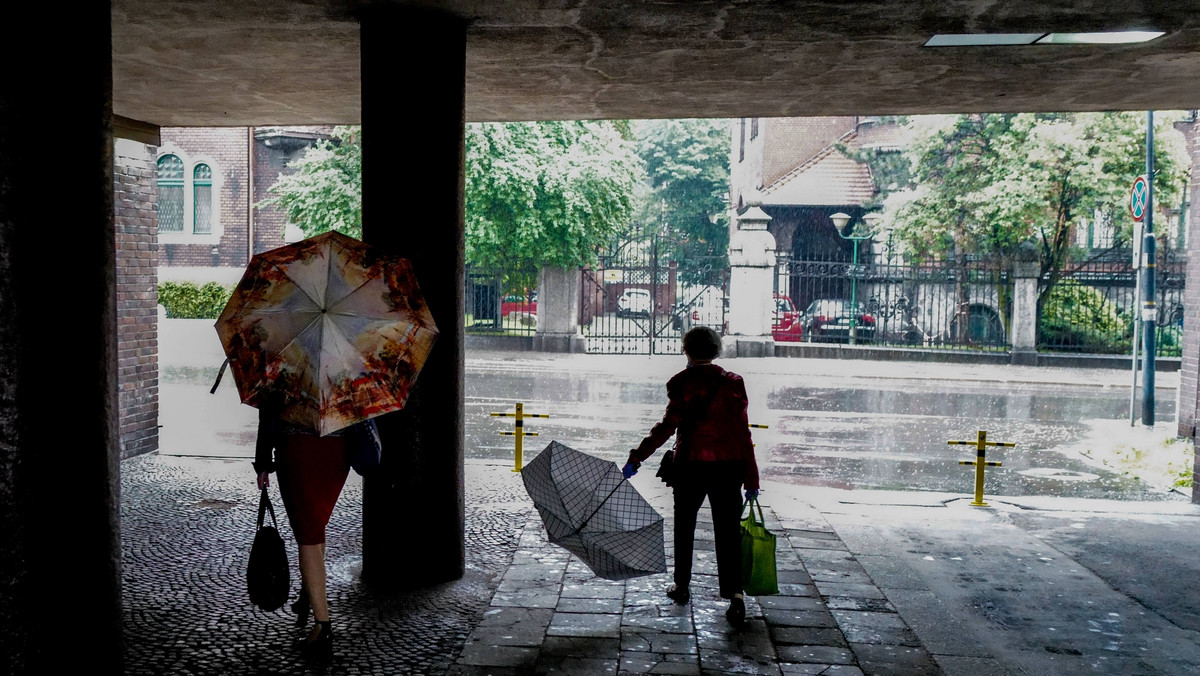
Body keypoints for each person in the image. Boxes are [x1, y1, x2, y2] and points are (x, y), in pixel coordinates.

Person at [623, 326, 760, 628]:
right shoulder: (733, 384)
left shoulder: (681, 383)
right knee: (728, 532)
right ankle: (736, 595)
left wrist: (638, 456)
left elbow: (666, 427)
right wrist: (752, 479)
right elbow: (742, 433)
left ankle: (681, 585)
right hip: (728, 468)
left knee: (684, 526)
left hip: (690, 466)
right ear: (716, 350)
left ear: (686, 350)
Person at [254, 396, 355, 658]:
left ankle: (323, 625)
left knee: (308, 533)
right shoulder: (346, 357)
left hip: (297, 449)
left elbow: (269, 408)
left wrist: (263, 460)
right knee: (314, 526)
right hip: (337, 447)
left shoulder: (286, 358)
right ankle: (310, 594)